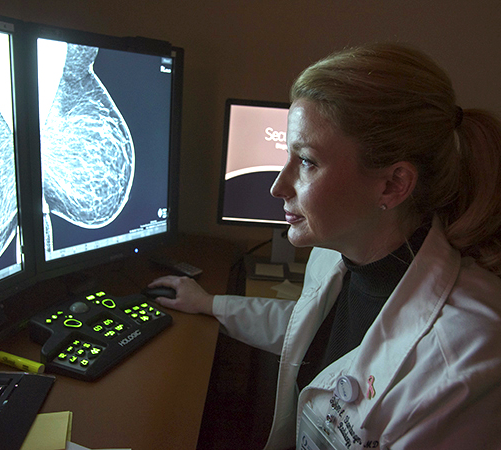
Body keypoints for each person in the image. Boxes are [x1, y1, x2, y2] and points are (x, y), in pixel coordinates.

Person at [149, 43, 501, 449]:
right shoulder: (336, 253)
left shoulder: (467, 359)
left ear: (393, 184)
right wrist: (211, 304)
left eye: (307, 161)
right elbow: (314, 331)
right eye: (288, 155)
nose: (277, 186)